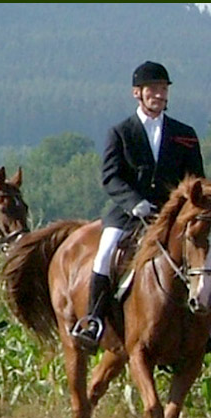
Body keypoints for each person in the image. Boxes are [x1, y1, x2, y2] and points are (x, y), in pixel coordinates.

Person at [70, 60, 205, 350]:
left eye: (163, 89)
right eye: (153, 89)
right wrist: (135, 203)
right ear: (137, 93)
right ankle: (94, 320)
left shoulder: (184, 133)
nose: (159, 94)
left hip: (172, 217)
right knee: (105, 253)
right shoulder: (120, 132)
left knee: (203, 252)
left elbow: (196, 179)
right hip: (128, 214)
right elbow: (110, 177)